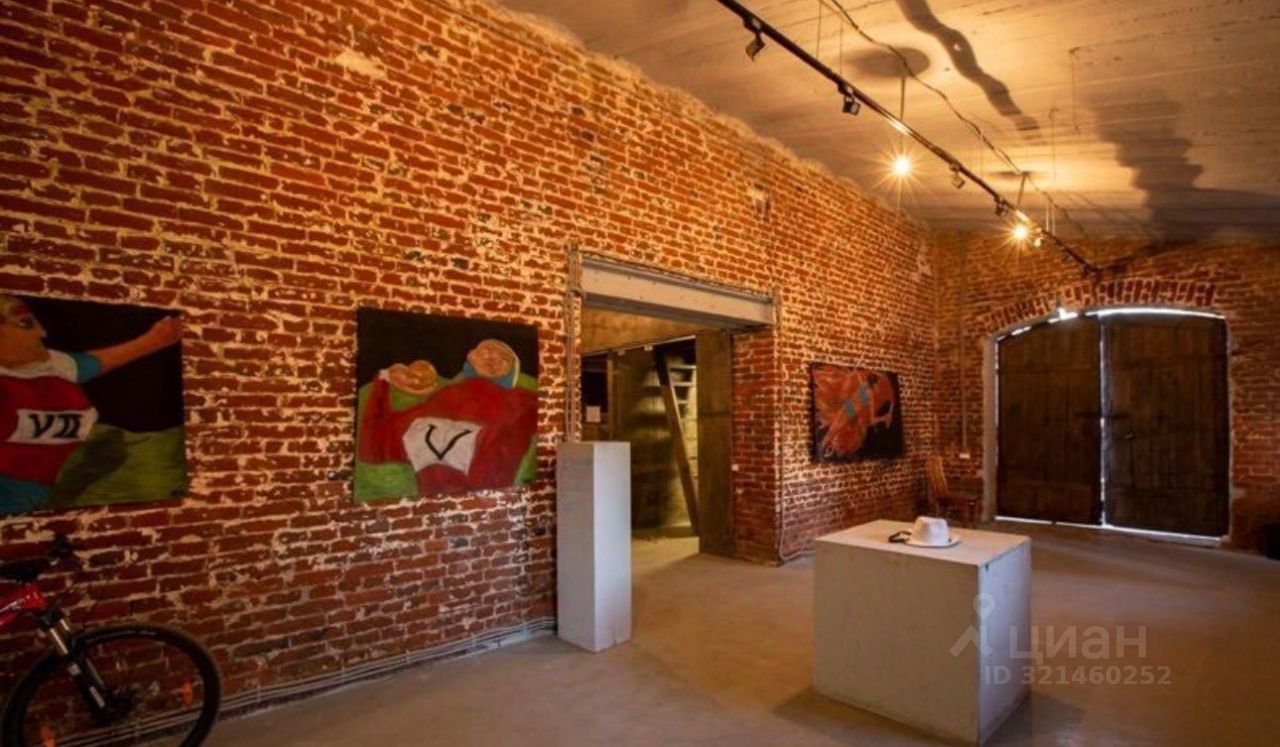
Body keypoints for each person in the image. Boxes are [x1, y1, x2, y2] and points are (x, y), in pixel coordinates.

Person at [0, 296, 182, 514]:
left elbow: (95, 363)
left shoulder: (53, 364)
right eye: (25, 324)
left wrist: (156, 339)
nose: (42, 333)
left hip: (58, 494)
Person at [358, 339, 537, 496]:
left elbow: (372, 444)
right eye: (485, 350)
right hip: (486, 507)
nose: (491, 356)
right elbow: (374, 442)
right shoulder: (440, 402)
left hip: (450, 508)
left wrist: (382, 382)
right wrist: (383, 383)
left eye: (502, 357)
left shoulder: (519, 403)